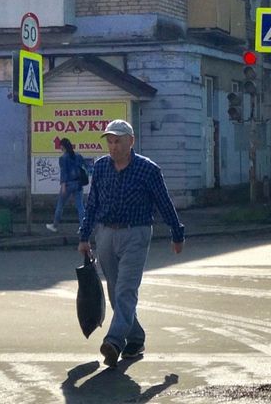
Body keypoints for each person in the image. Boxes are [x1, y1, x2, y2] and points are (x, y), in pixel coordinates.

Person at [78, 119, 185, 368]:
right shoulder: (101, 167)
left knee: (126, 289)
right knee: (115, 291)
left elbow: (164, 202)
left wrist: (177, 233)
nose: (113, 146)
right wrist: (84, 237)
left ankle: (113, 342)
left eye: (118, 141)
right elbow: (92, 204)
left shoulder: (147, 170)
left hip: (136, 234)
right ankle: (135, 338)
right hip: (105, 234)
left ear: (131, 141)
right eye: (110, 141)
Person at [46, 138, 85, 233]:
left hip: (68, 184)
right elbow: (83, 168)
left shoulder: (63, 158)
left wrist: (63, 186)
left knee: (60, 205)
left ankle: (54, 226)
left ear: (63, 147)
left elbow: (64, 173)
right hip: (78, 183)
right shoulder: (78, 156)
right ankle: (83, 227)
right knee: (80, 206)